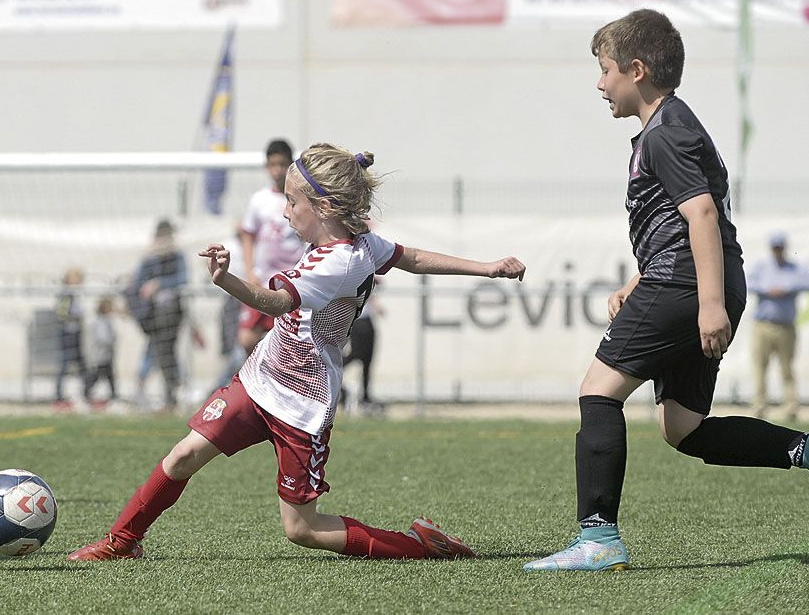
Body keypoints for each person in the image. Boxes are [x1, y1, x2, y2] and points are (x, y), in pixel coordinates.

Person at [67, 142, 527, 562]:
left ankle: (423, 547)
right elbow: (413, 258)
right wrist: (485, 268)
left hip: (302, 406)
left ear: (324, 207)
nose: (284, 211)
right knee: (183, 455)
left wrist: (226, 280)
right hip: (261, 380)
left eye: (292, 202)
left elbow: (275, 302)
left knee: (302, 529)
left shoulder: (341, 261)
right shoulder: (361, 245)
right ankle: (121, 542)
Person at [524, 10, 809, 572]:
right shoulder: (672, 126)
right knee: (682, 427)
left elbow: (702, 214)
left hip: (689, 284)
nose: (599, 84)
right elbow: (685, 219)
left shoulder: (666, 132)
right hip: (692, 279)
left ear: (636, 70)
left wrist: (706, 305)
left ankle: (598, 539)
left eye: (605, 70)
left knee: (598, 392)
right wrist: (643, 279)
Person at [237, 139, 308, 357]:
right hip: (263, 281)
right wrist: (249, 271)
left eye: (282, 164)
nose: (277, 170)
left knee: (292, 342)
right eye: (273, 164)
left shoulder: (301, 199)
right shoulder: (259, 200)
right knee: (246, 339)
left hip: (291, 283)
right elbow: (248, 235)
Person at [747, 231, 809, 422]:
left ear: (785, 248)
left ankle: (791, 407)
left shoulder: (795, 268)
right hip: (763, 326)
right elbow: (748, 283)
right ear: (771, 249)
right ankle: (759, 407)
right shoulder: (762, 267)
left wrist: (786, 288)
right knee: (760, 367)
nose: (777, 251)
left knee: (787, 368)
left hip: (786, 327)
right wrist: (767, 290)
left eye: (780, 247)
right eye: (775, 247)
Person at [124, 219, 188, 410]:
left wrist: (159, 283)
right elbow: (137, 281)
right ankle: (166, 389)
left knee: (165, 352)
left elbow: (182, 279)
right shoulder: (149, 259)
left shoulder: (177, 257)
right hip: (152, 316)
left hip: (171, 315)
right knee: (158, 351)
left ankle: (172, 390)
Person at [340, 277, 383, 415]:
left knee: (367, 359)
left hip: (368, 320)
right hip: (357, 321)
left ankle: (365, 396)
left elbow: (374, 285)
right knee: (356, 354)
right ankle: (330, 371)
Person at [52, 268, 90, 411]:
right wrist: (74, 317)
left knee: (83, 367)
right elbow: (61, 313)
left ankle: (84, 394)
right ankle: (58, 396)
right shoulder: (66, 294)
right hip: (67, 335)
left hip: (76, 334)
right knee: (64, 365)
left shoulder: (75, 295)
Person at [83, 295, 119, 408]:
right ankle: (85, 394)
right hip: (100, 356)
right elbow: (103, 338)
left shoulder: (106, 320)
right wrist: (113, 339)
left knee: (110, 377)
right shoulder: (100, 321)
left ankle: (114, 396)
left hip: (106, 355)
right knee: (96, 376)